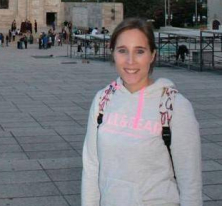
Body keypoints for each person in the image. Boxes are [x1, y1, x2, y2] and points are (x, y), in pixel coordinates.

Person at [81, 18, 202, 206]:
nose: (130, 61)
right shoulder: (102, 100)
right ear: (112, 52)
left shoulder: (174, 106)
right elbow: (91, 167)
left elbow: (190, 183)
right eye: (122, 51)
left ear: (152, 55)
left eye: (140, 51)